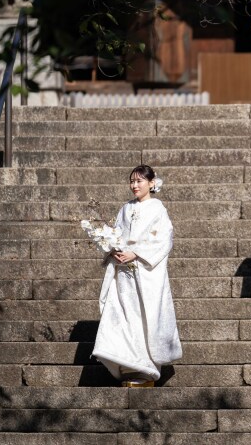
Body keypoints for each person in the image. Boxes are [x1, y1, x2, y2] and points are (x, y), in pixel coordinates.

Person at [92, 164, 182, 386]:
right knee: (126, 316)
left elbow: (164, 240)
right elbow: (117, 234)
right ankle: (128, 365)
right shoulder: (125, 208)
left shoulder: (158, 209)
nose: (134, 185)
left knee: (145, 317)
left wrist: (137, 253)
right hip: (124, 272)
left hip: (146, 271)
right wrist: (113, 250)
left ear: (151, 183)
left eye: (139, 181)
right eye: (132, 181)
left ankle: (147, 369)